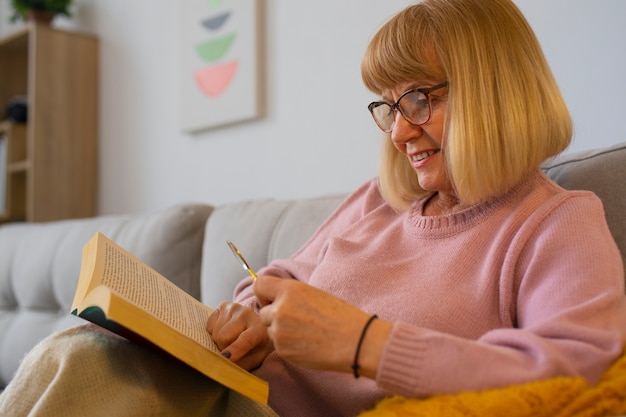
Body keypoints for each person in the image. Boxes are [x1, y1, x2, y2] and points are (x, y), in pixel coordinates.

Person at [1, 0, 625, 416]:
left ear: (496, 90)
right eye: (386, 107)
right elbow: (285, 277)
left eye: (417, 99)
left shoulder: (555, 223)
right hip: (227, 392)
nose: (398, 133)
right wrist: (249, 315)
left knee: (83, 363)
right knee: (82, 350)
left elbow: (577, 374)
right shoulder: (381, 201)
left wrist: (365, 343)